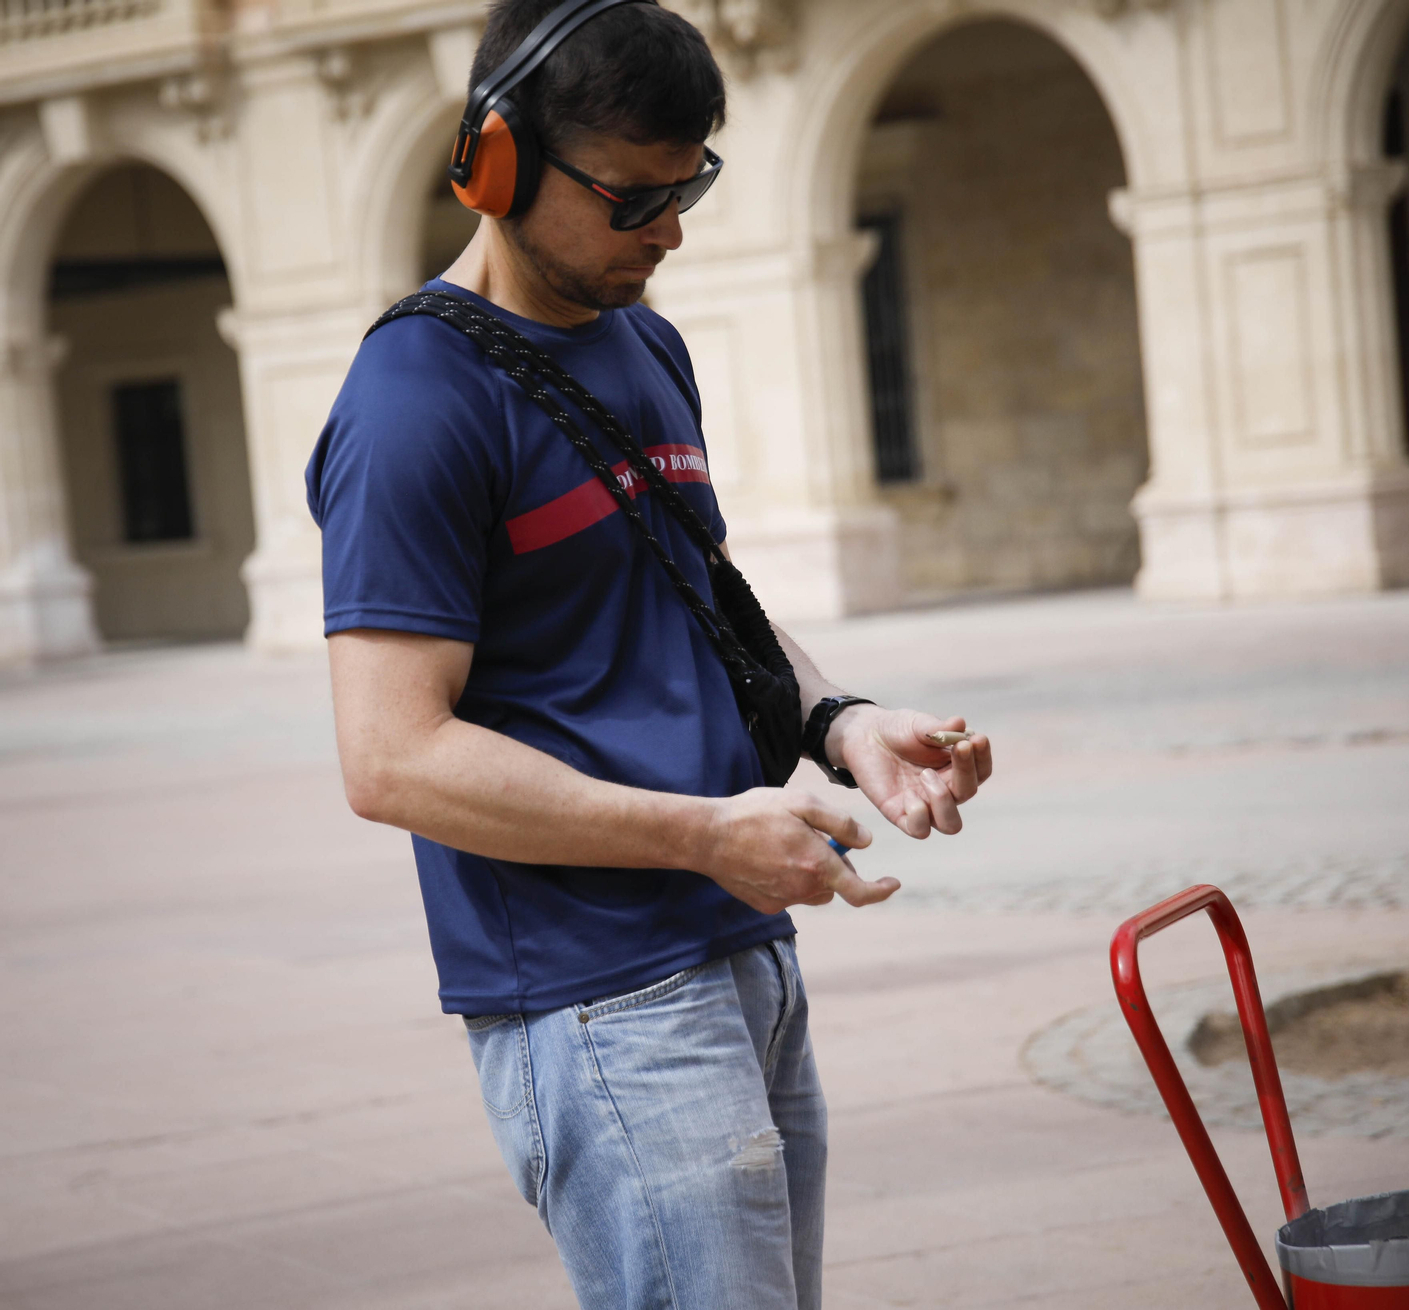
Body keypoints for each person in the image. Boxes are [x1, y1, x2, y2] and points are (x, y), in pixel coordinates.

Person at [306, 0, 992, 1305]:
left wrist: (839, 720)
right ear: (495, 161)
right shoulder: (412, 406)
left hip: (741, 958)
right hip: (600, 1004)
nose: (669, 230)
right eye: (633, 198)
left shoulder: (647, 344)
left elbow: (703, 603)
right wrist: (698, 833)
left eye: (689, 190)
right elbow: (389, 756)